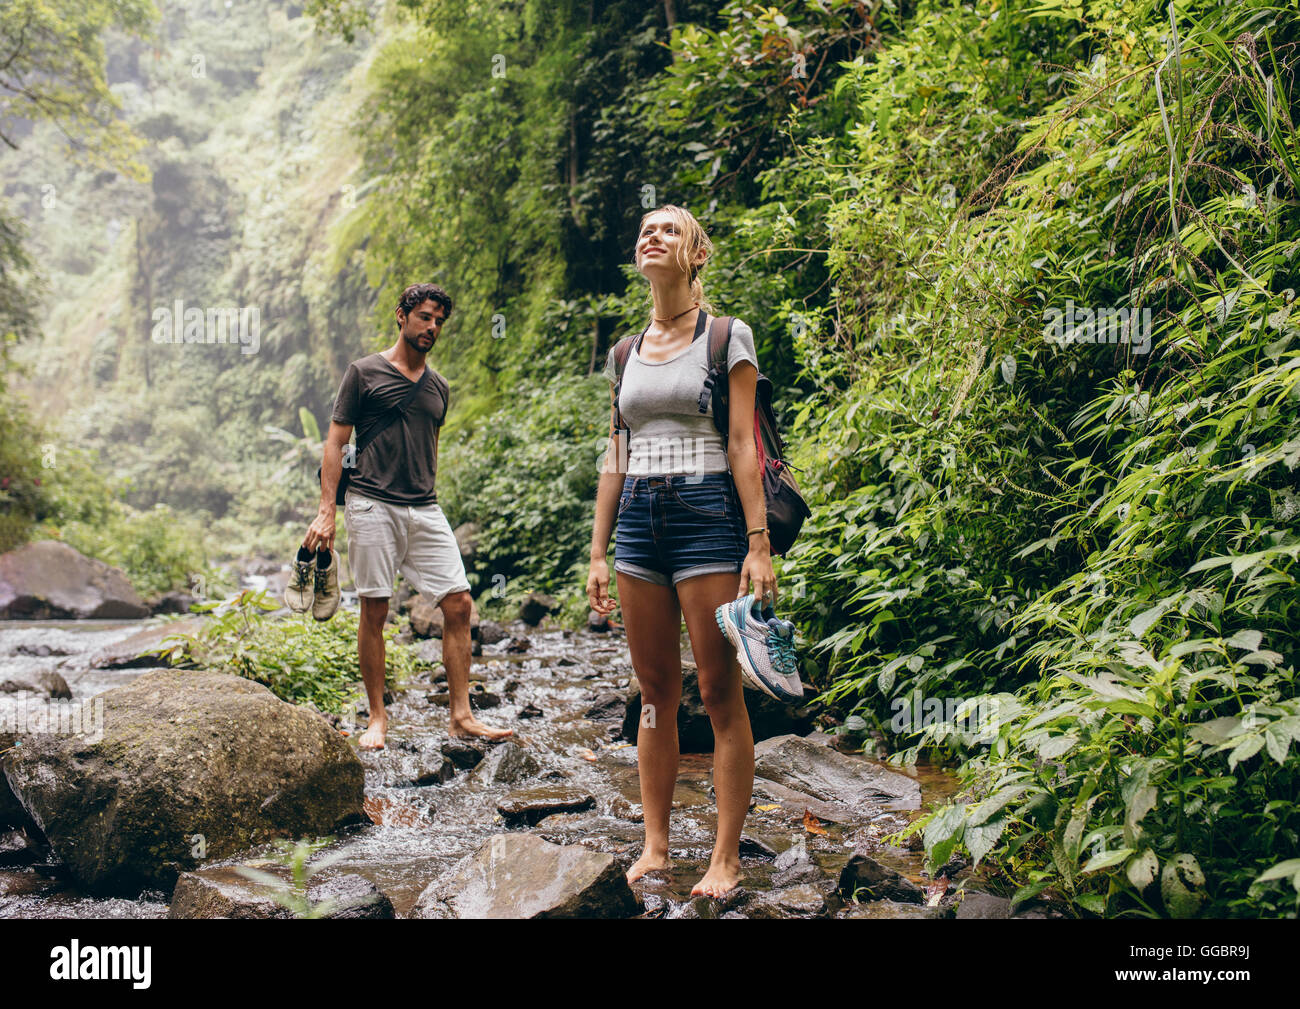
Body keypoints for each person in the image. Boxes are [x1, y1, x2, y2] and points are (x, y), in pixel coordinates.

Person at [587, 205, 777, 898]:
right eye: (644, 229)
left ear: (697, 254)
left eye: (668, 229)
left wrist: (758, 543)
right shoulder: (624, 351)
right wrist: (598, 550)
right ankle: (656, 843)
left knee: (718, 690)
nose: (652, 236)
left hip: (706, 517)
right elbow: (615, 449)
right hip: (638, 518)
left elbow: (741, 444)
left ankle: (725, 856)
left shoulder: (726, 336)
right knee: (654, 695)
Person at [303, 283, 512, 750]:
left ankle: (461, 715)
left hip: (424, 506)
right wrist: (326, 512)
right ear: (401, 316)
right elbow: (336, 443)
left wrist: (426, 489)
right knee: (376, 608)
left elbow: (430, 445)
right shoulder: (363, 373)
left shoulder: (439, 388)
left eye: (439, 321)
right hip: (372, 502)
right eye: (424, 317)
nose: (432, 328)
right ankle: (377, 718)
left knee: (459, 604)